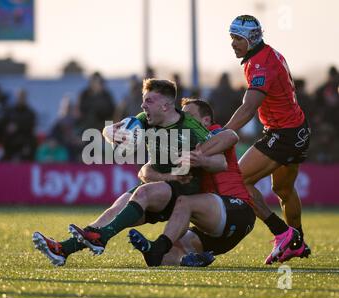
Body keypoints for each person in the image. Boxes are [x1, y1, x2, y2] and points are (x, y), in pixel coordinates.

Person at [32, 79, 238, 266]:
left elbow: (221, 162)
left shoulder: (190, 127)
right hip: (159, 187)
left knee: (142, 193)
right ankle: (62, 250)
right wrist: (110, 133)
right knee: (114, 210)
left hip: (184, 192)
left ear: (165, 106)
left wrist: (201, 159)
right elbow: (110, 130)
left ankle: (101, 238)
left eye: (148, 101)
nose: (143, 105)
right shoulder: (145, 119)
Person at [224, 15, 311, 264]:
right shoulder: (265, 55)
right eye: (231, 38)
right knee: (283, 189)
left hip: (283, 133)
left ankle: (282, 234)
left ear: (252, 39)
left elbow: (249, 107)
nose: (233, 43)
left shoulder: (260, 63)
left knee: (238, 180)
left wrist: (224, 132)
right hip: (297, 130)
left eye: (238, 39)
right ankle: (297, 242)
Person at [128, 98, 256, 267]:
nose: (183, 119)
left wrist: (199, 156)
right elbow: (144, 171)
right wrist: (165, 175)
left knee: (184, 203)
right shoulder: (182, 142)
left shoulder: (212, 133)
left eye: (189, 115)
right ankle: (183, 259)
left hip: (237, 210)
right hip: (212, 228)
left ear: (206, 121)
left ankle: (157, 246)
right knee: (168, 253)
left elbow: (231, 136)